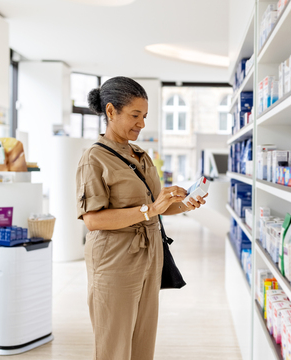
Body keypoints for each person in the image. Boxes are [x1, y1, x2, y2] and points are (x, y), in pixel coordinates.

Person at [76, 76, 206, 360]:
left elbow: (159, 205)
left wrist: (184, 205)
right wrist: (150, 210)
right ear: (111, 111)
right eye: (135, 115)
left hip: (149, 256)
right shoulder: (94, 159)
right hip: (114, 259)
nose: (142, 123)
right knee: (114, 346)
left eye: (144, 116)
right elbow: (93, 220)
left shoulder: (141, 156)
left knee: (143, 343)